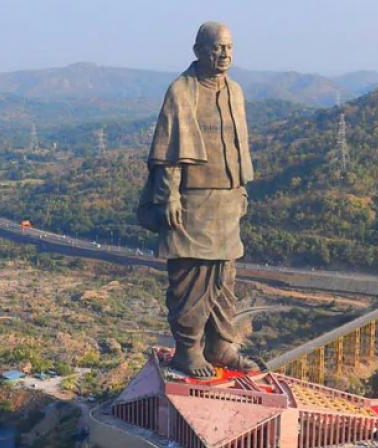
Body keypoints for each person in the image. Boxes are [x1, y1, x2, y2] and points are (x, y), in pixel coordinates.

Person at [137, 21, 258, 378]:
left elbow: (237, 148)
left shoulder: (235, 91)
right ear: (198, 51)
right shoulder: (181, 90)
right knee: (191, 278)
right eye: (217, 47)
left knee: (224, 277)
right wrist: (169, 195)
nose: (224, 54)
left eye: (229, 47)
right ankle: (188, 350)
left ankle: (220, 345)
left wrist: (241, 189)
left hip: (227, 200)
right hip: (191, 200)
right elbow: (168, 152)